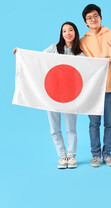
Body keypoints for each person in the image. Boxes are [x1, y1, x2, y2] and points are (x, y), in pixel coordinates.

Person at [13, 21, 85, 169]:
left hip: (70, 95)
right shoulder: (54, 48)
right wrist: (21, 54)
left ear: (75, 32)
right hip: (52, 93)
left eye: (70, 30)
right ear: (61, 34)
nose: (67, 33)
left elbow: (91, 68)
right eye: (64, 31)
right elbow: (37, 58)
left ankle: (71, 156)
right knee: (54, 128)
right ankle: (62, 156)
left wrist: (105, 63)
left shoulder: (80, 53)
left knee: (71, 128)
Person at [80, 4, 111, 167]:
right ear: (85, 22)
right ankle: (95, 155)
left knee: (110, 123)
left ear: (101, 17)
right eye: (89, 18)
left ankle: (107, 154)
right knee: (94, 123)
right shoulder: (83, 41)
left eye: (95, 16)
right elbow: (80, 64)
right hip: (93, 88)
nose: (93, 19)